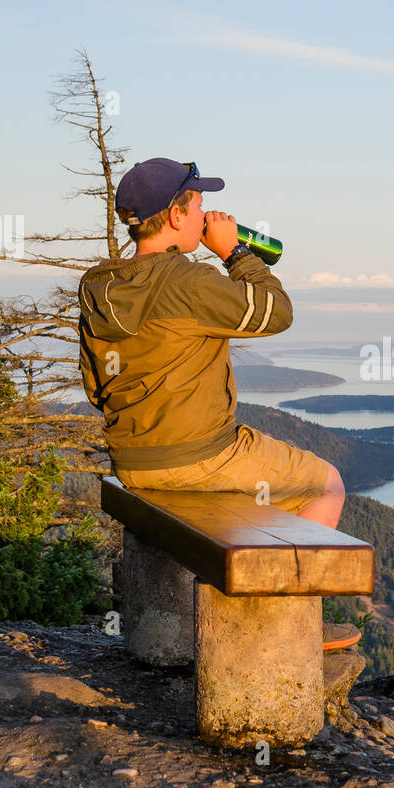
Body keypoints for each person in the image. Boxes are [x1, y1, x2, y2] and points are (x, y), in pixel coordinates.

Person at [78, 157, 356, 650]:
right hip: (201, 456)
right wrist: (237, 252)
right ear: (179, 215)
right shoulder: (188, 282)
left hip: (134, 463)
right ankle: (286, 623)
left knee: (251, 497)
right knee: (327, 484)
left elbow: (96, 388)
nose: (209, 213)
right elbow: (276, 313)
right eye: (201, 203)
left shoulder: (99, 287)